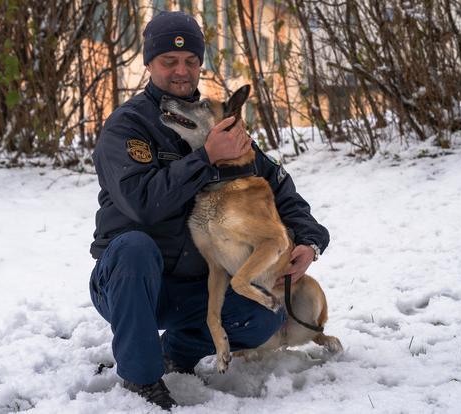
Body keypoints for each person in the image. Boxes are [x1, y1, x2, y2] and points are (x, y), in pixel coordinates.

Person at [88, 11, 329, 411]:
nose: (181, 71)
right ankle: (141, 379)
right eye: (169, 61)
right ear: (149, 64)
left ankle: (173, 351)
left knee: (262, 317)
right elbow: (143, 204)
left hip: (193, 285)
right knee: (134, 248)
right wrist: (206, 158)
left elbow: (279, 189)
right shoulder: (128, 127)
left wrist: (309, 241)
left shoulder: (217, 122)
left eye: (191, 61)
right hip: (129, 281)